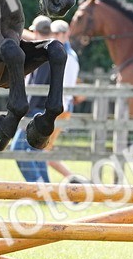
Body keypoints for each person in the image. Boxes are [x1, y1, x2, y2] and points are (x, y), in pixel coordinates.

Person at [11, 17, 59, 183]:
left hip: (35, 110)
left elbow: (36, 87)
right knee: (37, 153)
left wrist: (26, 112)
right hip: (44, 110)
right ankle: (46, 190)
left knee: (18, 149)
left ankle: (38, 188)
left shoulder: (42, 52)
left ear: (36, 32)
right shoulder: (53, 50)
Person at [44, 19, 84, 182]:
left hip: (60, 109)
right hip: (56, 108)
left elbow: (66, 87)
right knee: (43, 149)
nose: (54, 36)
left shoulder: (69, 57)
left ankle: (75, 180)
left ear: (66, 34)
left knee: (42, 150)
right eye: (52, 33)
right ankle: (75, 180)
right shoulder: (58, 53)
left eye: (57, 33)